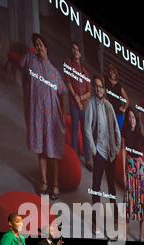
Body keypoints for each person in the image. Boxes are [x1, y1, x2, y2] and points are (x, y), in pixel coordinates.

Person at [20, 33, 67, 200]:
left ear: (47, 48)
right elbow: (22, 71)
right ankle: (44, 182)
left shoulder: (54, 72)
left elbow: (62, 93)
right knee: (41, 150)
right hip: (37, 115)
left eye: (41, 44)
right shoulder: (30, 60)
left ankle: (55, 184)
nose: (38, 47)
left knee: (53, 152)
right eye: (36, 44)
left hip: (52, 117)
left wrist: (61, 115)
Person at [84, 75, 121, 232]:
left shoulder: (109, 105)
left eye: (101, 86)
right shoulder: (91, 104)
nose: (99, 89)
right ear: (94, 87)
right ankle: (95, 221)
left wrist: (117, 146)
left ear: (105, 89)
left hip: (110, 152)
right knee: (96, 187)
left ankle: (115, 217)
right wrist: (93, 150)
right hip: (99, 151)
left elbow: (115, 127)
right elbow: (87, 129)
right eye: (96, 86)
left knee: (112, 188)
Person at [122, 107, 144, 241]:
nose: (131, 119)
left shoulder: (140, 135)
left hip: (139, 171)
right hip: (129, 169)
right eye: (129, 117)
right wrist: (123, 172)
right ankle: (124, 235)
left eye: (133, 117)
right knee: (129, 203)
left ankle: (141, 237)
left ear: (136, 118)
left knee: (141, 204)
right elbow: (123, 151)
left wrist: (143, 164)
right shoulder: (125, 132)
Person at [65, 42, 92, 171]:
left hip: (83, 106)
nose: (75, 51)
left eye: (77, 49)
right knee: (75, 129)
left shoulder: (85, 71)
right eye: (73, 49)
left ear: (80, 53)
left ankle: (88, 160)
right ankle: (73, 158)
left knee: (86, 132)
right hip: (74, 104)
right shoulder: (69, 64)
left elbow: (89, 92)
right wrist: (76, 98)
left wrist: (81, 99)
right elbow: (68, 82)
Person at [104, 64, 129, 131]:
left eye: (113, 72)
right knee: (109, 130)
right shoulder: (105, 80)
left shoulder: (119, 86)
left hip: (118, 111)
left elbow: (127, 99)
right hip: (109, 109)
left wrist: (124, 109)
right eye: (110, 72)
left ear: (116, 74)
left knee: (118, 131)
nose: (112, 74)